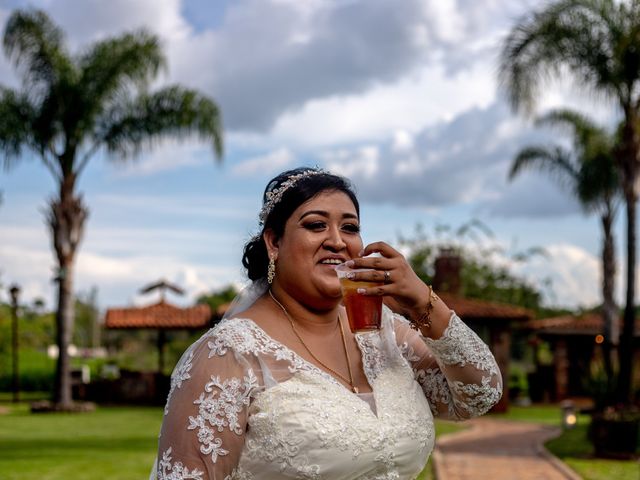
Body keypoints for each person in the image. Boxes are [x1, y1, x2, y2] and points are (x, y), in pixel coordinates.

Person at [151, 167, 502, 480]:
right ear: (274, 242)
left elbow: (479, 395)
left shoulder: (387, 334)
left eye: (350, 227)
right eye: (316, 225)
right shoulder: (229, 354)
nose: (337, 240)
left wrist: (423, 302)